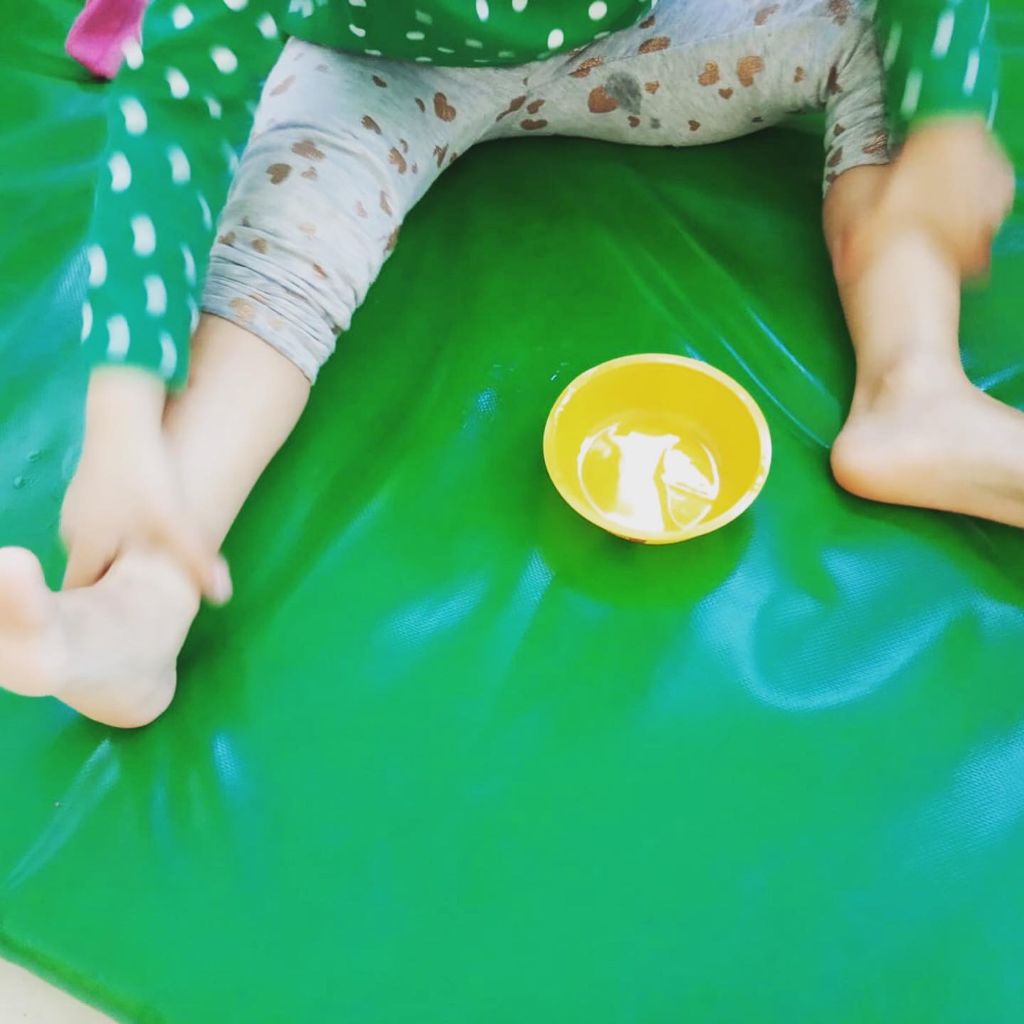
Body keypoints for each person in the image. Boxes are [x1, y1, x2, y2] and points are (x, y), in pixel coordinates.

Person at [0, 0, 1016, 727]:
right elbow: (185, 94)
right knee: (286, 234)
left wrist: (945, 122)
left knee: (874, 30)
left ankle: (915, 390)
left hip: (642, 40)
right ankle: (144, 603)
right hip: (377, 69)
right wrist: (124, 415)